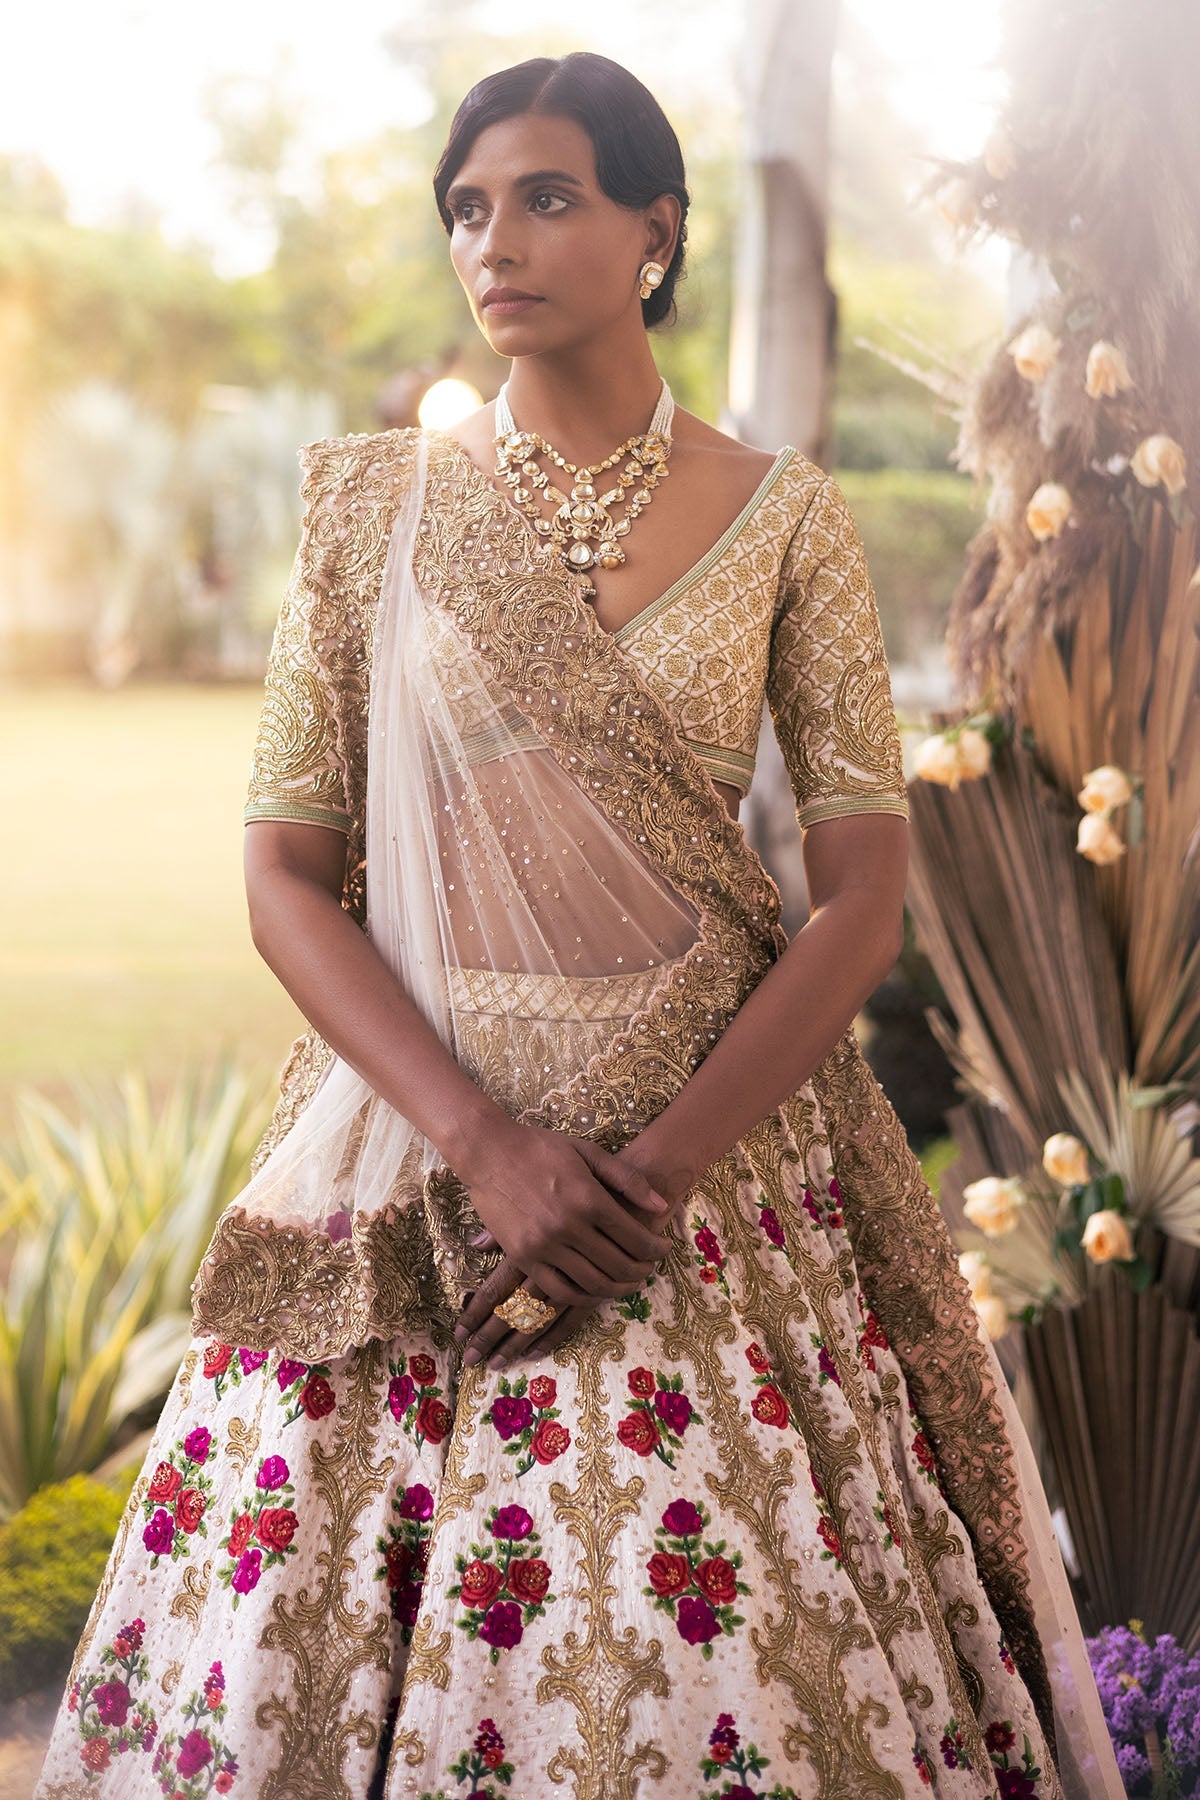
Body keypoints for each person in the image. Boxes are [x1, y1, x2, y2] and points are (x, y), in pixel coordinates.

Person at [36, 50, 1124, 1800]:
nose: (499, 241)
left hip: (706, 1180)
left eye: (548, 197)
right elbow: (282, 876)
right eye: (470, 208)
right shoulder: (373, 511)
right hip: (417, 1156)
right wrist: (486, 1150)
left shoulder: (791, 519)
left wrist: (659, 1176)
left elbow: (861, 891)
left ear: (656, 231)